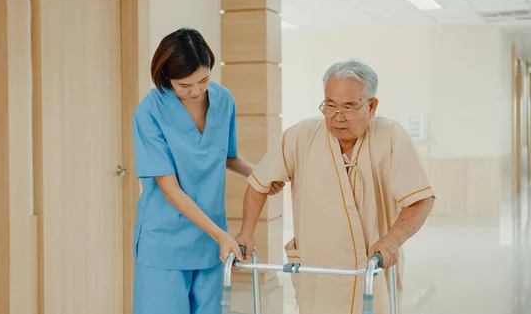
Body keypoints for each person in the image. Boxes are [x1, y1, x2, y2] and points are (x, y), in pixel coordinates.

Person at [234, 59, 435, 314]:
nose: (337, 117)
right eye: (330, 105)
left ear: (371, 106)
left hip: (372, 269)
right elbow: (259, 183)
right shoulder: (300, 137)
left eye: (349, 107)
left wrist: (393, 240)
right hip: (319, 273)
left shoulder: (391, 137)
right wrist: (246, 232)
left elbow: (421, 199)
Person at [131, 27, 284, 314]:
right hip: (166, 240)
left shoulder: (223, 100)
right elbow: (169, 187)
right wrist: (221, 236)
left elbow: (226, 156)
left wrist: (258, 174)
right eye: (184, 85)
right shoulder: (149, 113)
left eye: (203, 79)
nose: (196, 90)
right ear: (166, 78)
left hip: (210, 239)